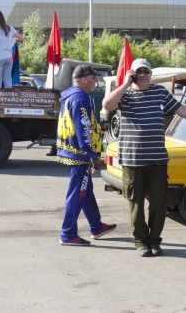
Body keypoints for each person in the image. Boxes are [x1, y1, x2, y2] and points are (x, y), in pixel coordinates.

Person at [102, 58, 186, 257]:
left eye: (147, 71)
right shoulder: (125, 94)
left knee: (159, 202)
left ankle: (154, 241)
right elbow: (107, 104)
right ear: (132, 73)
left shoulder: (159, 92)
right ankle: (140, 241)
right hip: (133, 159)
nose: (144, 75)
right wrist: (126, 83)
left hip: (157, 159)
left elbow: (183, 110)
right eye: (139, 71)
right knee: (136, 203)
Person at [57, 65, 117, 246]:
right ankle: (68, 234)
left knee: (85, 191)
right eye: (93, 78)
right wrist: (92, 154)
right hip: (80, 154)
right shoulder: (80, 98)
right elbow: (83, 129)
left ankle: (96, 226)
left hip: (73, 151)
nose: (95, 82)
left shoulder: (71, 95)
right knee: (77, 194)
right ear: (84, 79)